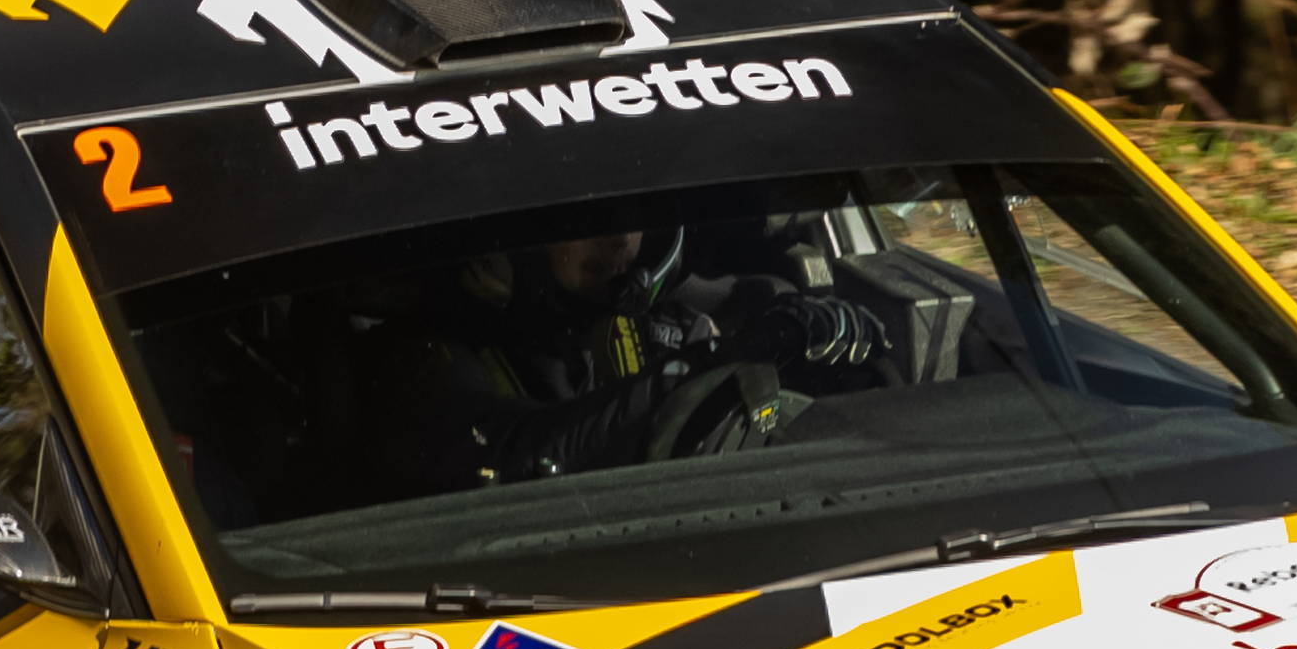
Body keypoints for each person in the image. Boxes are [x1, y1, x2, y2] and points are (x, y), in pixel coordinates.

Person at [351, 216, 894, 489]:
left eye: (631, 213)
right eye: (585, 219)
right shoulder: (420, 356)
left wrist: (807, 341)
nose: (617, 239)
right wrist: (710, 366)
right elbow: (523, 456)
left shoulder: (652, 323)